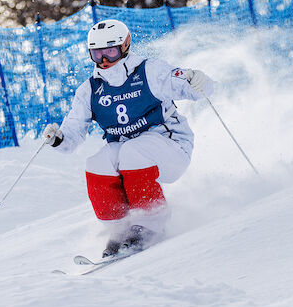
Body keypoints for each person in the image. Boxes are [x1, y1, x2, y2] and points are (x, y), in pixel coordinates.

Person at [42, 19, 214, 258]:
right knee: (98, 162)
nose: (104, 61)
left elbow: (191, 88)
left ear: (125, 46)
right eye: (96, 53)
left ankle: (152, 222)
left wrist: (197, 81)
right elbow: (72, 133)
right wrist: (59, 139)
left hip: (171, 147)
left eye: (110, 52)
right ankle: (120, 229)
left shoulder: (149, 71)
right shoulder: (90, 90)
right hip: (130, 156)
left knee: (132, 150)